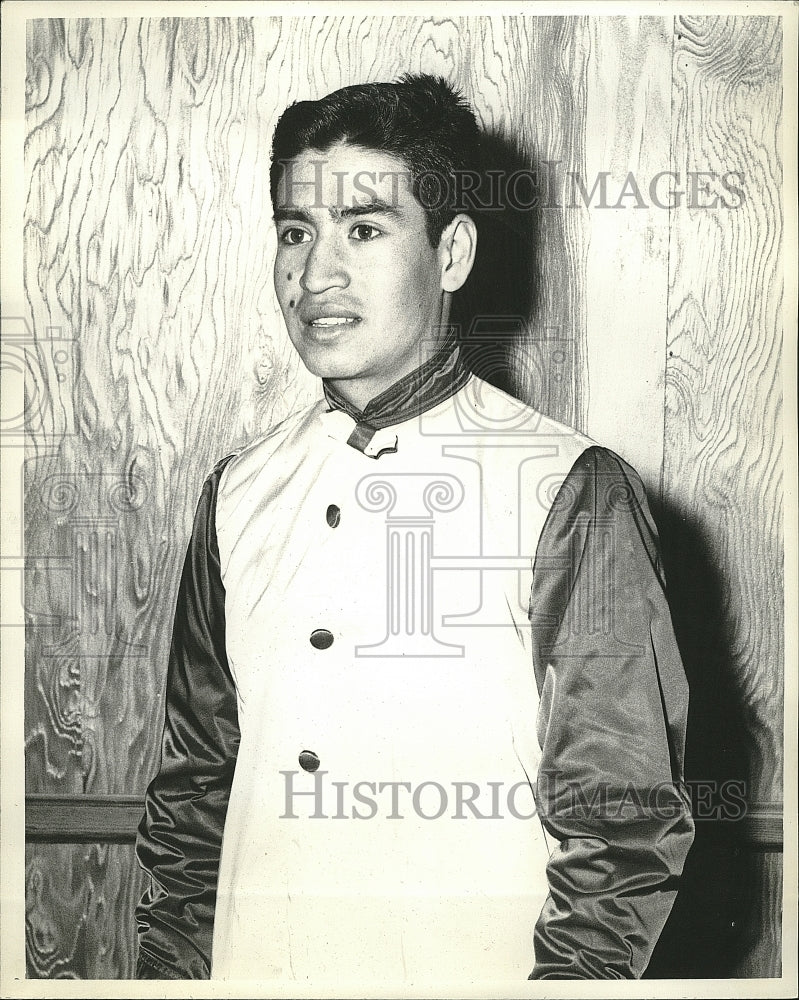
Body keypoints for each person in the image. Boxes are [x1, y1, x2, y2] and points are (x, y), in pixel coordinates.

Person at [134, 73, 695, 984]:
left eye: (363, 228)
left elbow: (620, 830)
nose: (315, 274)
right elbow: (193, 795)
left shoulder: (570, 489)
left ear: (452, 253)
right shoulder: (235, 491)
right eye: (294, 231)